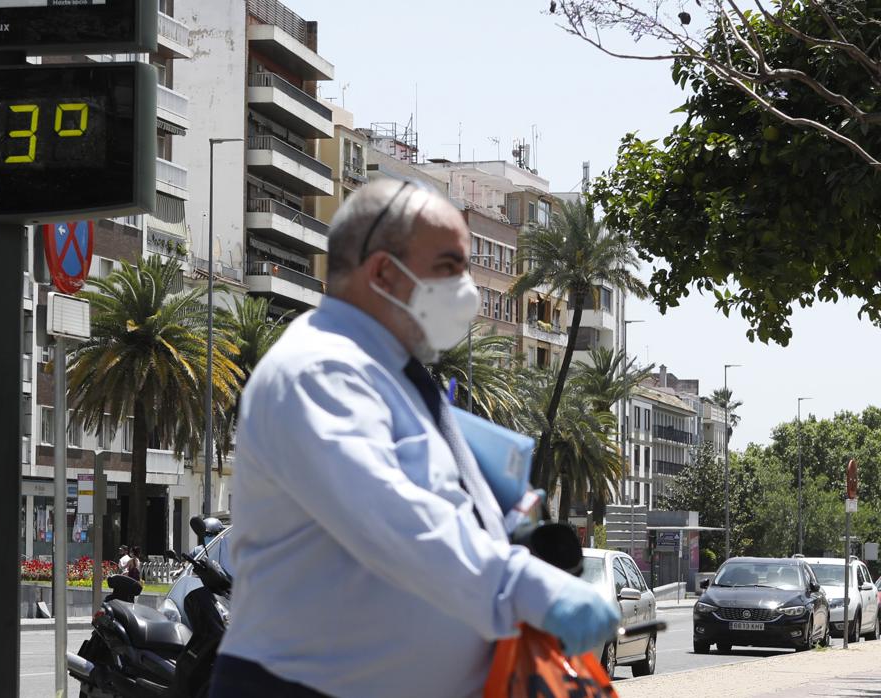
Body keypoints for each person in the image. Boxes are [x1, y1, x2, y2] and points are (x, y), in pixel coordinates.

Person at [209, 179, 621, 698]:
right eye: (449, 267)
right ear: (382, 271)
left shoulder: (392, 377)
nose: (467, 289)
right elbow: (391, 515)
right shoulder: (318, 372)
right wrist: (526, 588)